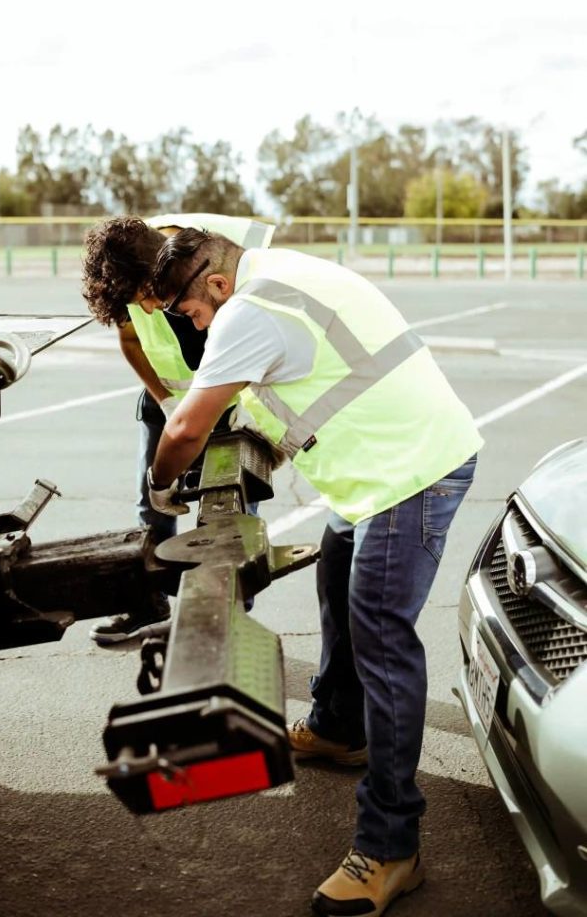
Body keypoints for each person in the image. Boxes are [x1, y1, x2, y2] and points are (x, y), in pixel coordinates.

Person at [147, 228, 483, 917]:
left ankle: (391, 848)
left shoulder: (246, 308)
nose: (194, 324)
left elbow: (184, 430)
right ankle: (339, 725)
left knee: (381, 640)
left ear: (211, 285)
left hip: (407, 477)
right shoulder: (280, 269)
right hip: (382, 469)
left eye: (187, 312)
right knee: (335, 575)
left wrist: (159, 486)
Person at [81, 213, 274, 644]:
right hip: (169, 404)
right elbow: (131, 341)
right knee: (150, 512)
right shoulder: (127, 269)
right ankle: (148, 603)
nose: (148, 308)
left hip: (233, 407)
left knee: (231, 514)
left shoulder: (212, 261)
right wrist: (165, 400)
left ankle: (228, 620)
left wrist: (248, 404)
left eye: (147, 295)